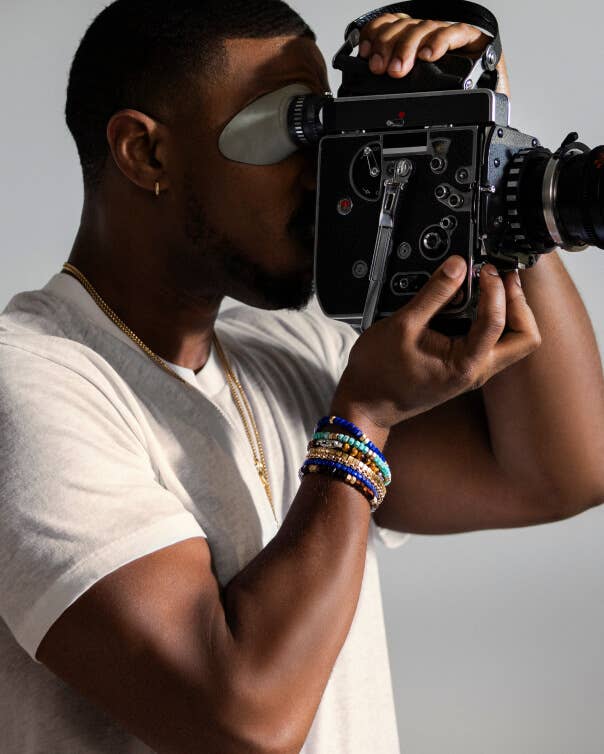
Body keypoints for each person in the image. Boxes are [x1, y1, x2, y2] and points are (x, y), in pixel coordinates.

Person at [0, 1, 602, 752]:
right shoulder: (30, 384)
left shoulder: (290, 356)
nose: (327, 173)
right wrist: (363, 423)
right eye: (295, 130)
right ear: (144, 153)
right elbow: (243, 721)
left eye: (335, 127)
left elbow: (558, 472)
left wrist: (484, 153)